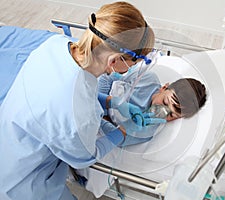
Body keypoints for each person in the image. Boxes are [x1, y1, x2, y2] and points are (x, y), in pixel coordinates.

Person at [0, 2, 163, 200]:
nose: (129, 70)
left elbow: (75, 89)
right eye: (133, 64)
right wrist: (122, 132)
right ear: (115, 60)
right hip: (22, 183)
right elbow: (84, 157)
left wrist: (111, 101)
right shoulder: (77, 117)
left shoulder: (56, 45)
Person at [97, 61, 207, 146]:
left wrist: (102, 119)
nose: (162, 112)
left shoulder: (149, 130)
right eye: (165, 102)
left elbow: (116, 139)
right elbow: (107, 76)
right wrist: (105, 107)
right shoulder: (147, 78)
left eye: (171, 115)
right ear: (164, 88)